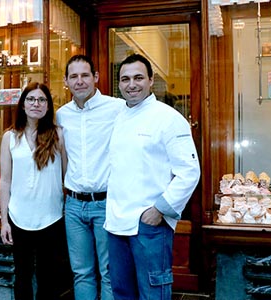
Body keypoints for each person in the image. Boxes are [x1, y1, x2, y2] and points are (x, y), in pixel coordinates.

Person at [105, 53, 200, 299]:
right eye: (125, 79)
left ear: (151, 80)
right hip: (116, 224)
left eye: (138, 77)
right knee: (122, 293)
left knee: (153, 295)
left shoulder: (168, 118)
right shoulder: (117, 118)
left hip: (148, 224)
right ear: (119, 84)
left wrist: (160, 209)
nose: (131, 84)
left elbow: (189, 172)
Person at [56, 54, 125, 300]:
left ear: (96, 77)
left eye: (85, 75)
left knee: (109, 272)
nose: (80, 81)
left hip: (106, 203)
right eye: (73, 76)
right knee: (81, 272)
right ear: (66, 81)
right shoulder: (61, 115)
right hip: (73, 205)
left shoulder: (117, 108)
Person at [0, 82, 69, 300]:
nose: (36, 104)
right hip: (19, 217)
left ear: (48, 106)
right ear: (22, 105)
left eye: (41, 100)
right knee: (22, 277)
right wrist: (4, 221)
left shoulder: (58, 135)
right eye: (31, 99)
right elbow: (5, 181)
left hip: (51, 217)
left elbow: (66, 177)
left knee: (49, 279)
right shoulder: (10, 137)